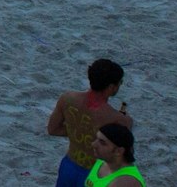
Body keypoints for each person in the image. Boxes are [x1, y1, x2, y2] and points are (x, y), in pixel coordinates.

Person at [47, 59, 134, 187]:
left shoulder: (67, 98)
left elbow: (52, 129)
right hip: (94, 174)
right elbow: (123, 156)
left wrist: (78, 129)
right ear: (111, 87)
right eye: (119, 83)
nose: (120, 85)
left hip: (69, 165)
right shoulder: (120, 120)